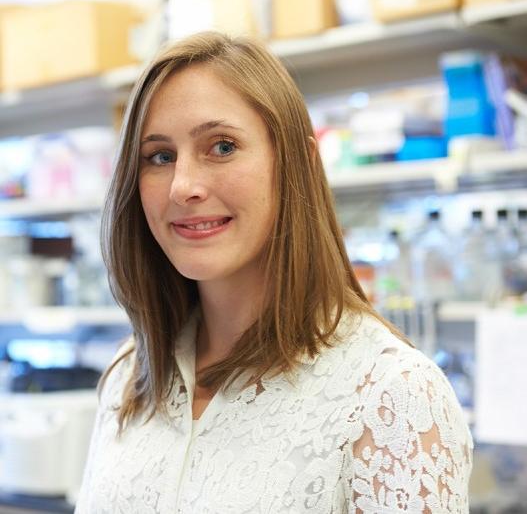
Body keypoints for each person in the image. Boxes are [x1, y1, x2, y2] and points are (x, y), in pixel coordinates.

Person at [75, 31, 472, 513]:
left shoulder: (391, 397)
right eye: (160, 156)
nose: (183, 186)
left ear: (297, 164)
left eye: (221, 146)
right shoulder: (132, 374)